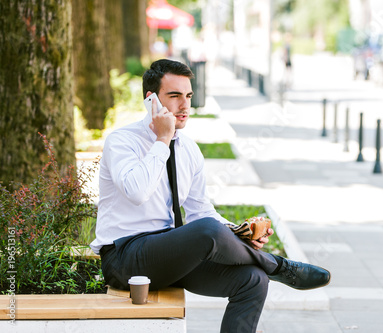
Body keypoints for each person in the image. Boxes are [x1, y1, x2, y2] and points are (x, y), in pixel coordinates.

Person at [90, 59, 331, 333]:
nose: (184, 106)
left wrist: (240, 232)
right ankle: (280, 267)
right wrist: (162, 141)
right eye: (175, 96)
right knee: (206, 231)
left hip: (170, 253)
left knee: (252, 279)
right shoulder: (122, 141)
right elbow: (137, 192)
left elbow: (200, 211)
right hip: (125, 259)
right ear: (151, 100)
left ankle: (269, 270)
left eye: (188, 96)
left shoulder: (189, 149)